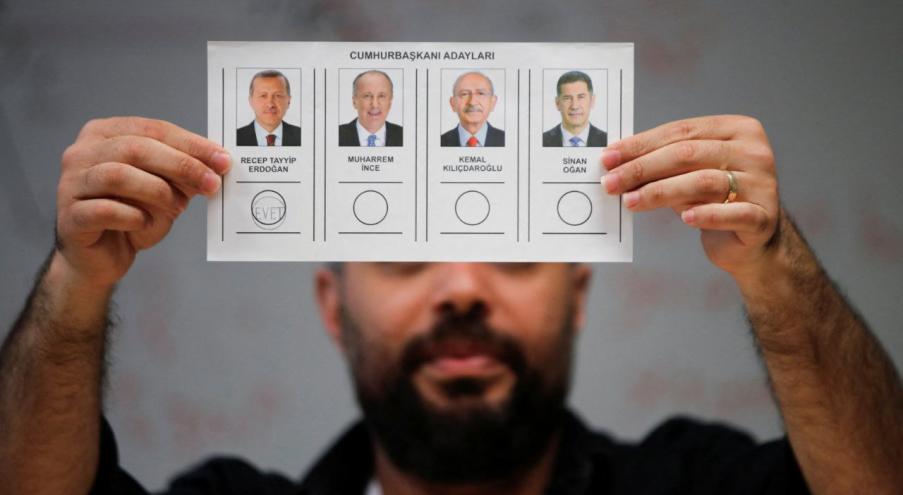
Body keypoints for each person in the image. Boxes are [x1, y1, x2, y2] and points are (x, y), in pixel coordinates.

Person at [1, 115, 901, 495]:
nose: (464, 286)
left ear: (578, 292)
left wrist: (773, 263)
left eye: (512, 253)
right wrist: (77, 282)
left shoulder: (691, 484)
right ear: (332, 305)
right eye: (402, 255)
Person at [236, 70, 301, 147]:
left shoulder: (304, 136)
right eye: (263, 96)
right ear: (251, 101)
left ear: (288, 101)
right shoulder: (235, 138)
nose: (270, 104)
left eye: (278, 96)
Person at [542, 71, 607, 147]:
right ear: (557, 103)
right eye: (567, 98)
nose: (574, 106)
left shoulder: (607, 141)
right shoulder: (542, 141)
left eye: (581, 97)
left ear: (592, 101)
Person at [339, 70, 403, 147]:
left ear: (390, 102)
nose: (375, 105)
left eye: (381, 96)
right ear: (354, 102)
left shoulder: (405, 136)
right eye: (367, 96)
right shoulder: (336, 135)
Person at [441, 71, 505, 147]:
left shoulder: (508, 140)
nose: (472, 102)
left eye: (481, 93)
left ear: (492, 102)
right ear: (453, 103)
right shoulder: (439, 142)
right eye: (464, 94)